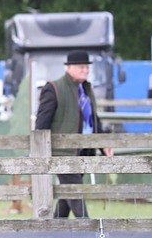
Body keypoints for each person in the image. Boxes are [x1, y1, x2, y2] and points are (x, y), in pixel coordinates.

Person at [34, 50, 113, 218]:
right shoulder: (54, 88)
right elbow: (41, 124)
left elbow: (93, 120)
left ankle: (56, 229)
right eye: (81, 67)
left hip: (83, 151)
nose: (85, 70)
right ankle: (89, 232)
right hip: (63, 153)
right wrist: (40, 151)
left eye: (86, 67)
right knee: (75, 192)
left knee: (67, 193)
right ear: (68, 68)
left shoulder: (85, 89)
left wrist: (103, 144)